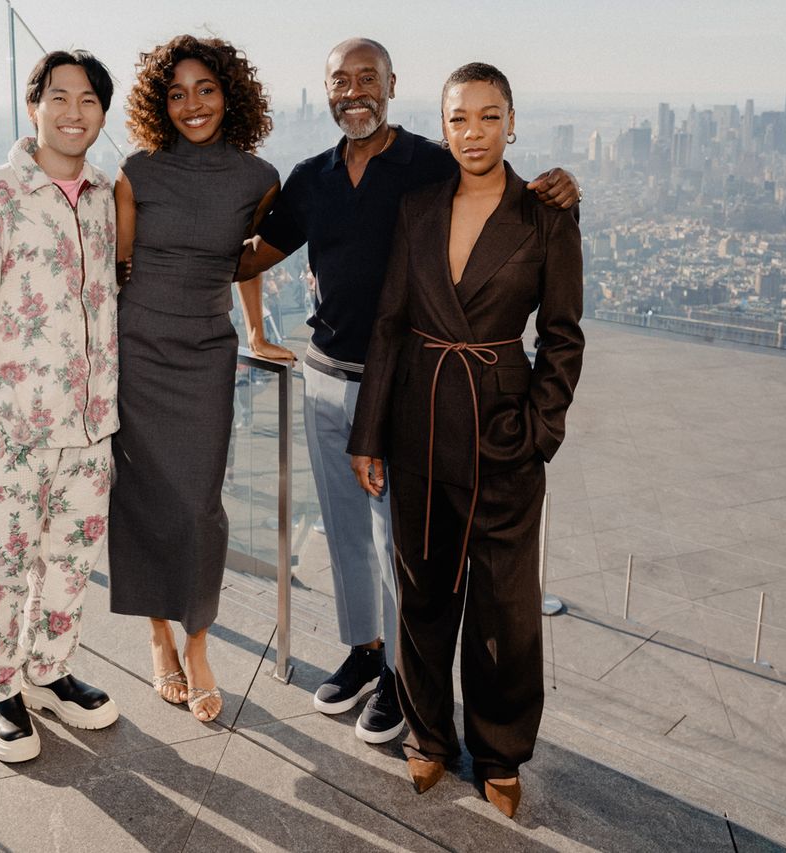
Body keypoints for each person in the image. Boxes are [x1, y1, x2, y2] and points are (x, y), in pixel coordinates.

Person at [235, 38, 579, 746]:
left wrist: (561, 185)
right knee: (344, 535)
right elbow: (252, 254)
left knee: (404, 549)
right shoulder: (311, 178)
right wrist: (248, 320)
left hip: (405, 390)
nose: (354, 90)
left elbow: (501, 198)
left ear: (393, 85)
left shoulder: (428, 162)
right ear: (326, 90)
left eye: (369, 78)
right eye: (341, 80)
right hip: (325, 378)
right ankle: (364, 650)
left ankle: (401, 674)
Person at [348, 62, 584, 816]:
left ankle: (500, 748)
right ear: (442, 125)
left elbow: (563, 336)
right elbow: (388, 324)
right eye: (458, 118)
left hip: (502, 429)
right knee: (422, 590)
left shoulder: (546, 213)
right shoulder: (418, 207)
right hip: (417, 421)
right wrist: (369, 435)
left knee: (505, 607)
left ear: (512, 121)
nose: (473, 132)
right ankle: (429, 737)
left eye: (488, 116)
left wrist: (538, 431)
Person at [0, 50, 121, 763]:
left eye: (89, 100)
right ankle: (0, 686)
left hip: (90, 424)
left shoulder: (105, 196)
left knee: (70, 562)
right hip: (7, 431)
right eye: (59, 97)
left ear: (103, 114)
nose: (74, 112)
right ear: (33, 104)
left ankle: (48, 668)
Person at [107, 35, 294, 724]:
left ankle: (200, 641)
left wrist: (257, 331)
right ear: (162, 104)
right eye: (177, 93)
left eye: (206, 89)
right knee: (143, 499)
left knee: (199, 505)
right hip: (138, 350)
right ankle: (159, 639)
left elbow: (248, 260)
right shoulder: (137, 171)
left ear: (230, 94)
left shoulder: (258, 177)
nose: (192, 105)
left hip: (205, 354)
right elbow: (119, 270)